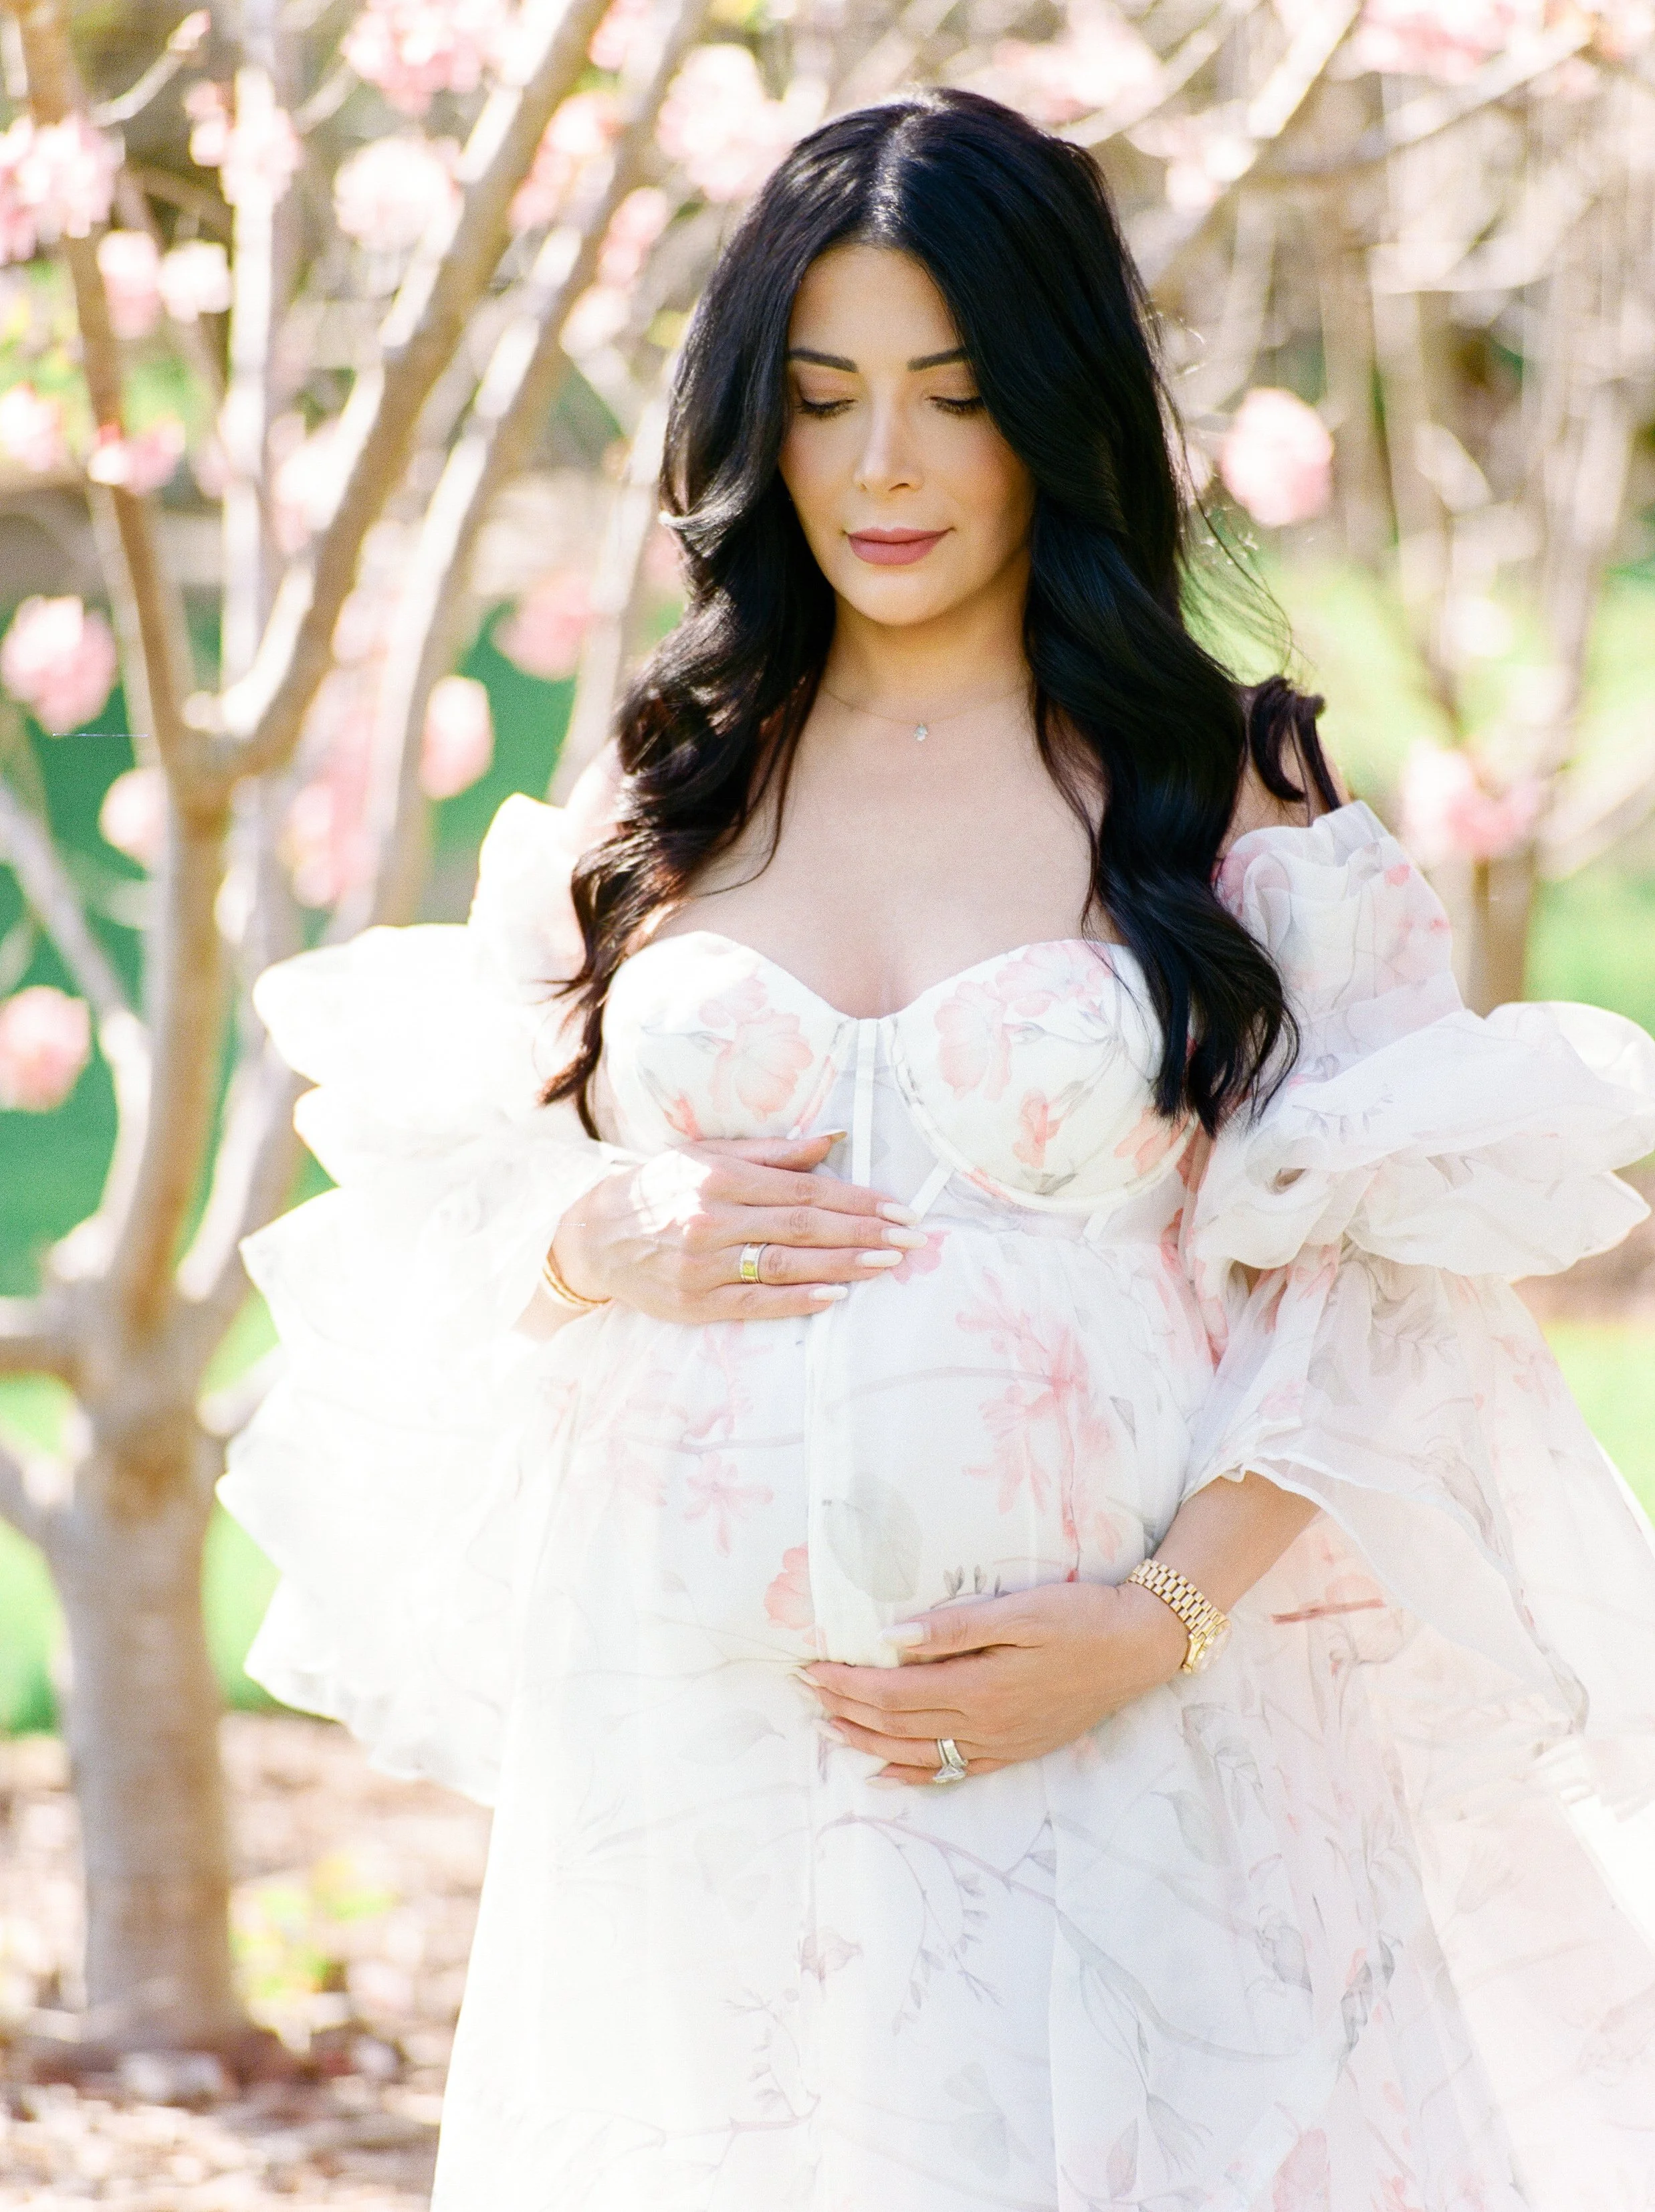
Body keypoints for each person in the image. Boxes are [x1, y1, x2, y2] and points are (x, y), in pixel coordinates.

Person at [221, 87, 1655, 2212]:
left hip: (1132, 1749)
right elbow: (451, 1185)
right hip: (699, 1748)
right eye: (822, 400)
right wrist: (602, 1227)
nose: (881, 465)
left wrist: (1159, 1624)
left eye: (954, 396)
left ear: (1054, 411)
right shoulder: (672, 784)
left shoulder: (1217, 785)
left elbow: (1386, 1279)